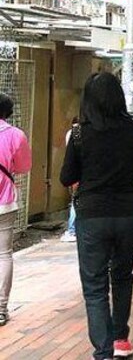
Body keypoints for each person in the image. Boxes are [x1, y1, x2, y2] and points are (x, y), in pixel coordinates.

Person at [61, 72, 133, 359]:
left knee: (94, 284)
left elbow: (67, 177)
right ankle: (120, 339)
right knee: (122, 273)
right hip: (130, 214)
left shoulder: (79, 134)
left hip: (92, 215)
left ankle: (103, 352)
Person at [0, 93, 32, 327]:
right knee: (3, 254)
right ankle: (0, 309)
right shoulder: (16, 135)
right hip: (5, 202)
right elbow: (24, 166)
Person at [60, 117, 80, 243]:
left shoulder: (72, 134)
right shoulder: (77, 134)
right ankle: (73, 229)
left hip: (75, 173)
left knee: (75, 201)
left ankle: (72, 230)